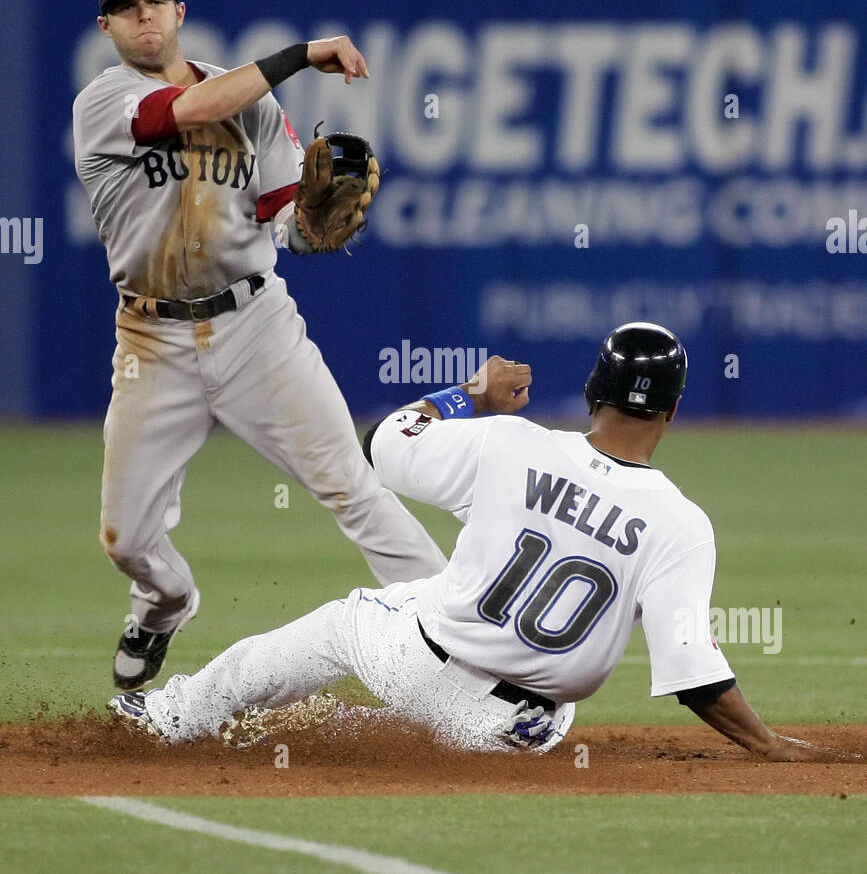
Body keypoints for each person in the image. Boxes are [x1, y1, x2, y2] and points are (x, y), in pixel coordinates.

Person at [108, 326, 819, 761]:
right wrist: (766, 745)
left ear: (589, 390)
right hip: (519, 732)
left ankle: (173, 715)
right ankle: (337, 734)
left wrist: (469, 394)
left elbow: (382, 444)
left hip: (416, 661)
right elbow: (694, 673)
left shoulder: (511, 443)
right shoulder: (681, 523)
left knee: (346, 621)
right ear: (671, 409)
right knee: (440, 605)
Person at [73, 0, 446, 690]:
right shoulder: (104, 100)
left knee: (351, 484)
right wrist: (303, 55)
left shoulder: (250, 104)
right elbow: (186, 112)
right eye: (129, 5)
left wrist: (317, 222)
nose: (145, 14)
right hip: (152, 340)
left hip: (255, 326)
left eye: (157, 1)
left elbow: (287, 224)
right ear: (108, 25)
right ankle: (163, 604)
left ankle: (461, 637)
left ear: (180, 13)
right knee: (125, 539)